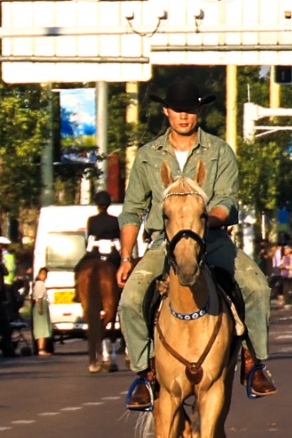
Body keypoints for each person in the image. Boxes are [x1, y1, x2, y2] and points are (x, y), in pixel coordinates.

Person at [118, 75, 277, 411]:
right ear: (166, 111)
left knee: (257, 287)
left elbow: (228, 200)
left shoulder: (219, 151)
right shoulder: (147, 156)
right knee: (130, 299)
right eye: (177, 109)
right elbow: (132, 210)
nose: (184, 115)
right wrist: (125, 257)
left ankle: (253, 361)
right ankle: (145, 373)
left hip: (211, 238)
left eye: (190, 109)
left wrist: (202, 221)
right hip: (163, 242)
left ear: (199, 111)